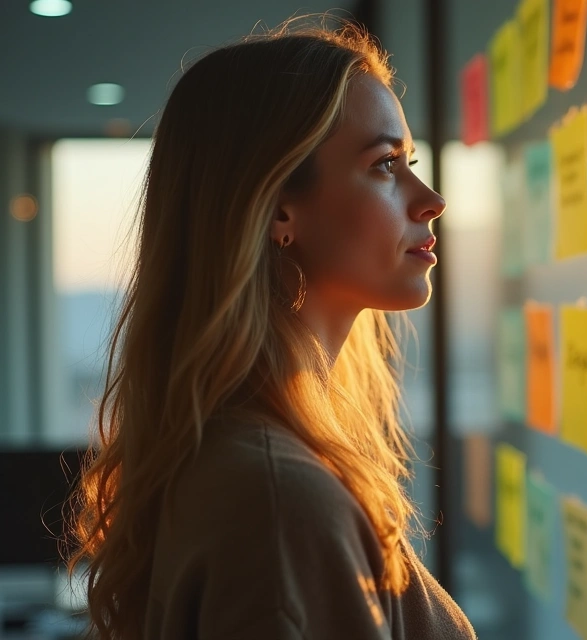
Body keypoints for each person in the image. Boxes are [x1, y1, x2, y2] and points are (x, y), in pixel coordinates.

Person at [64, 17, 475, 640]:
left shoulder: (245, 458)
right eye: (386, 164)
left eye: (409, 160)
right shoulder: (281, 502)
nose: (431, 198)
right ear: (280, 207)